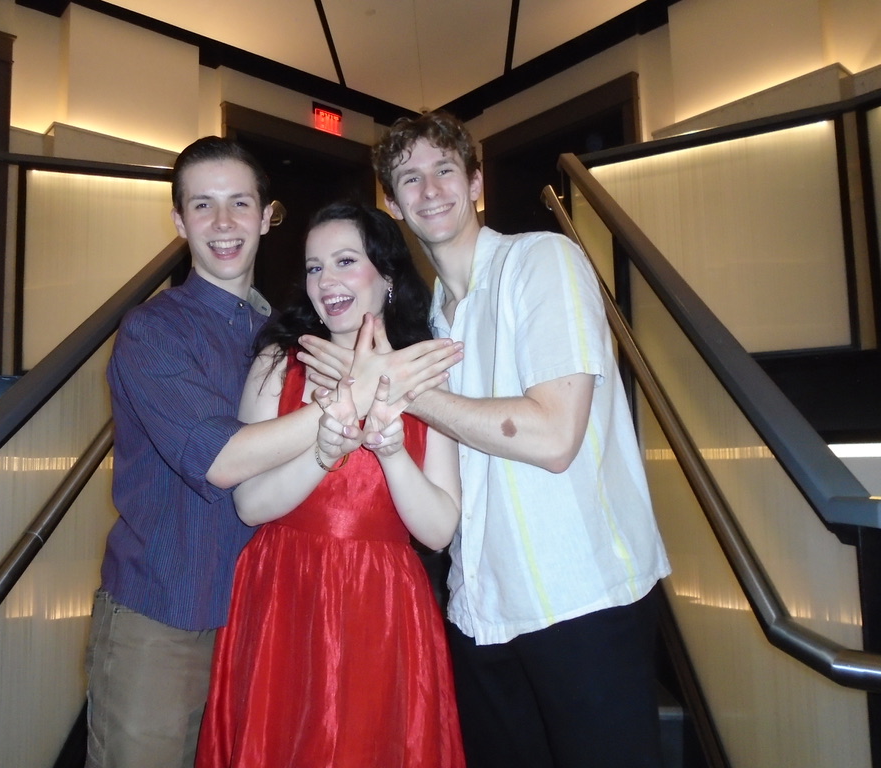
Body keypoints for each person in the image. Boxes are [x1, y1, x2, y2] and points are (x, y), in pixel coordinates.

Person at [299, 111, 672, 768]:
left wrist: (393, 383)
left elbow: (555, 435)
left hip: (580, 604)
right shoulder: (433, 320)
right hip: (481, 615)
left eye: (446, 169)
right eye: (409, 177)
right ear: (391, 201)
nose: (431, 188)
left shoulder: (542, 262)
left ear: (475, 182)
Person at [87, 137, 462, 768]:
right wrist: (354, 397)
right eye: (203, 205)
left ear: (267, 217)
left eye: (240, 202)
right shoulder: (156, 331)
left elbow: (439, 520)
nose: (224, 222)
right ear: (179, 221)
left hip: (282, 608)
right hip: (172, 612)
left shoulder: (270, 326)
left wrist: (381, 417)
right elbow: (226, 463)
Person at [195, 201, 466, 768]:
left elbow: (439, 530)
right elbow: (249, 504)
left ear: (387, 276)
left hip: (384, 603)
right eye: (315, 267)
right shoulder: (280, 363)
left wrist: (391, 455)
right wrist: (323, 451)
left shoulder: (426, 373)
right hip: (284, 592)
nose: (327, 281)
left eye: (346, 261)